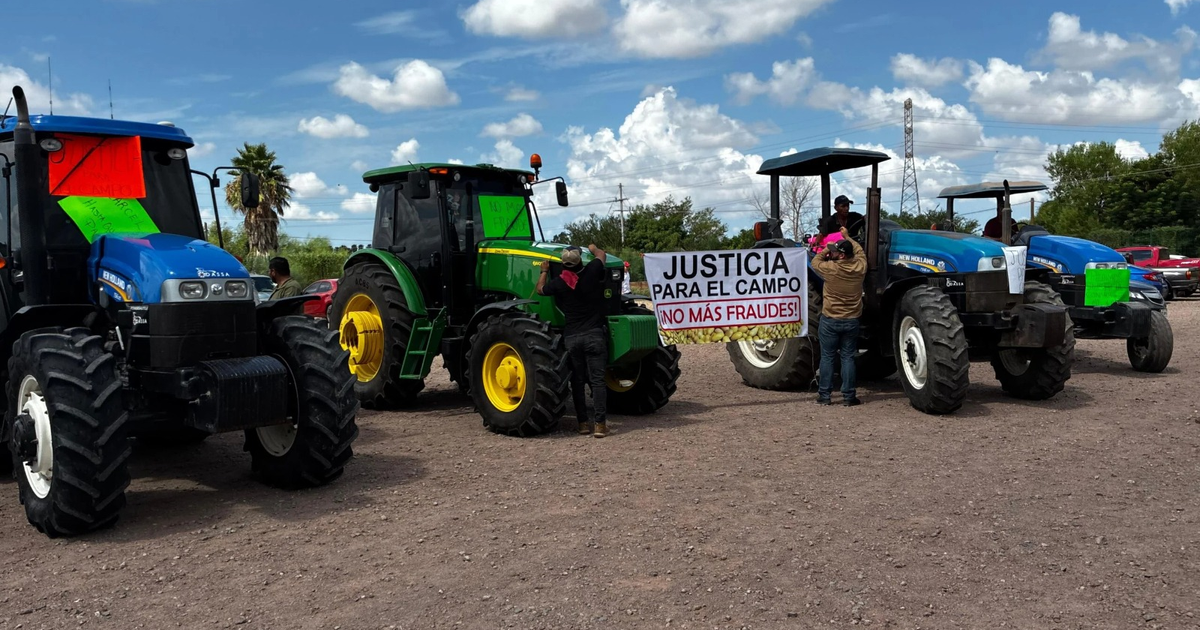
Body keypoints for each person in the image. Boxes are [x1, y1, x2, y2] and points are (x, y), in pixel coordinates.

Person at [536, 243, 611, 438]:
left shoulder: (560, 282)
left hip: (572, 338)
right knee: (597, 382)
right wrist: (593, 248)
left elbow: (541, 290)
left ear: (563, 263)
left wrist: (544, 271)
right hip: (594, 335)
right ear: (579, 261)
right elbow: (602, 254)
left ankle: (583, 424)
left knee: (577, 383)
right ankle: (601, 425)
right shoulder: (592, 271)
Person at [810, 227, 867, 406]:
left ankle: (825, 396)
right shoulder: (860, 267)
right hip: (851, 321)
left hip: (830, 320)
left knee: (827, 356)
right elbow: (860, 251)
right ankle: (849, 396)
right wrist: (847, 237)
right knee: (848, 357)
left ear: (841, 256)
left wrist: (827, 248)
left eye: (836, 252)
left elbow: (815, 261)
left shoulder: (830, 269)